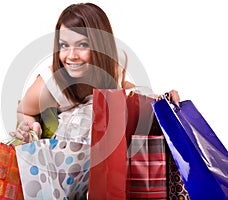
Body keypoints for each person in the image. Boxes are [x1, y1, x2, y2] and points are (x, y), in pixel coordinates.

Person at [10, 2, 180, 143]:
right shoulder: (51, 86)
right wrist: (32, 128)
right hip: (65, 158)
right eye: (64, 45)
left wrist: (162, 99)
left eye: (82, 45)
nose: (71, 56)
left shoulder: (111, 71)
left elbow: (128, 92)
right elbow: (24, 111)